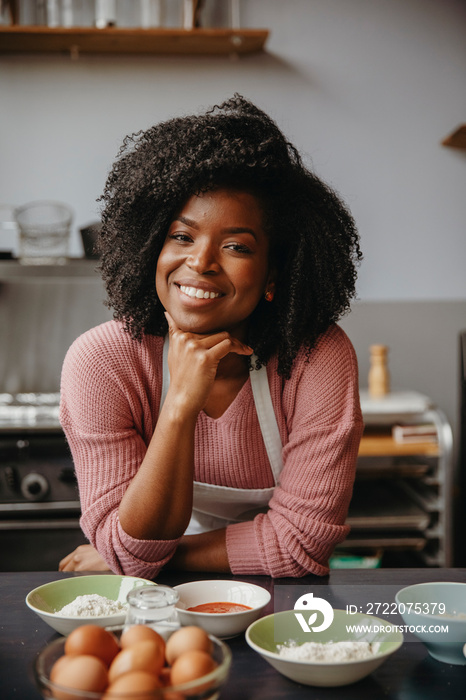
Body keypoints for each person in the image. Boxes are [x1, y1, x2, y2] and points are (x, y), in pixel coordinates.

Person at [58, 94, 363, 579]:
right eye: (182, 236)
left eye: (236, 246)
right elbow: (129, 555)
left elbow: (301, 544)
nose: (200, 262)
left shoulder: (315, 356)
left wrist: (144, 559)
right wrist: (180, 402)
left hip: (286, 608)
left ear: (272, 276)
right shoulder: (102, 361)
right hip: (154, 611)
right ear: (150, 247)